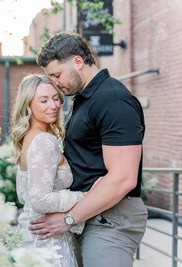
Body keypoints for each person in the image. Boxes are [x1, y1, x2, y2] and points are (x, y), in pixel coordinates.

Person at [30, 32, 147, 267]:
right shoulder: (85, 99)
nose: (56, 82)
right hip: (92, 215)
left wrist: (69, 218)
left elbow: (123, 179)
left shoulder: (113, 100)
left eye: (57, 74)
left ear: (78, 62)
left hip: (111, 220)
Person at [11, 74, 87, 267]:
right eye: (43, 100)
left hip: (33, 236)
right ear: (28, 105)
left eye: (55, 98)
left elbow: (25, 196)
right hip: (47, 241)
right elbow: (40, 200)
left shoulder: (29, 138)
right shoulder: (44, 141)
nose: (53, 105)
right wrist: (85, 197)